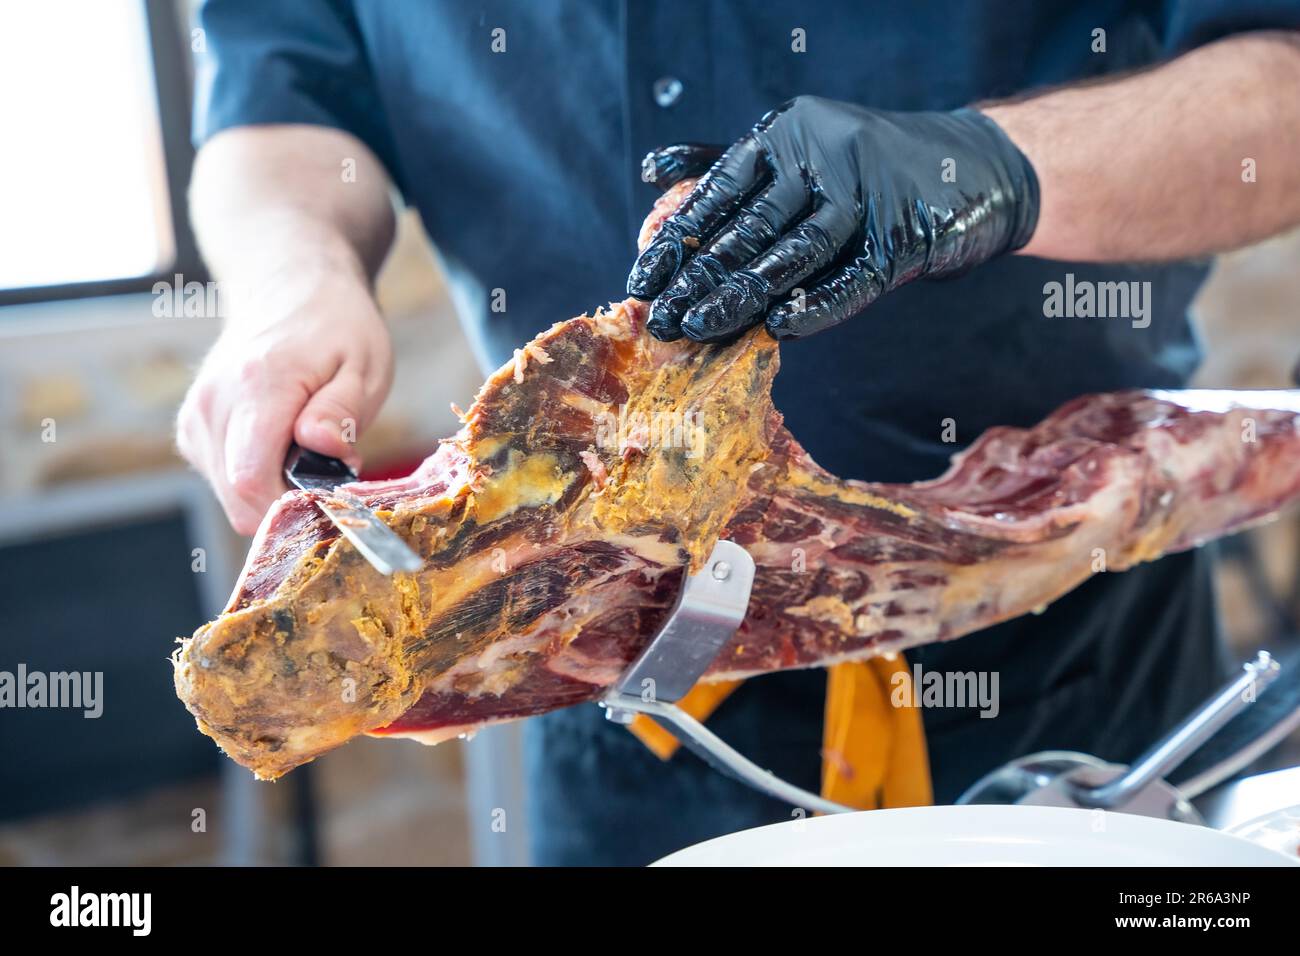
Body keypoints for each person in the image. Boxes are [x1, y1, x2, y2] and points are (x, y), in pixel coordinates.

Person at [177, 0, 1300, 865]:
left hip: (1065, 629)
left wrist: (987, 167)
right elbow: (287, 98)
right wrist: (293, 277)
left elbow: (1277, 82)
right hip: (599, 659)